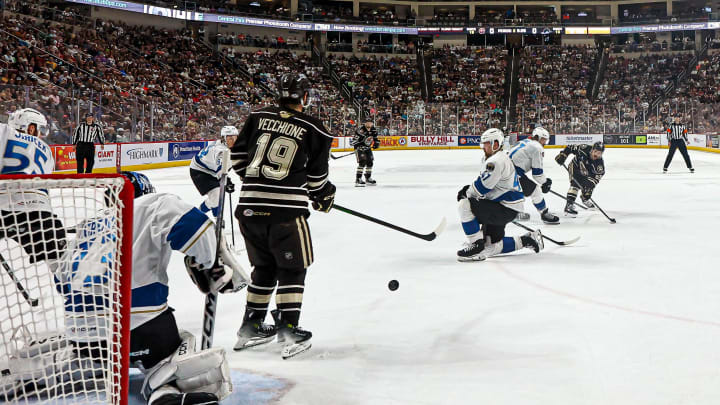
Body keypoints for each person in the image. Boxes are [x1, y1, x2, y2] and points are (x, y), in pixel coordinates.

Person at [2, 172, 248, 405]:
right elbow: (194, 227)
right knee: (183, 341)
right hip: (139, 331)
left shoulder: (87, 226)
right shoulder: (153, 203)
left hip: (84, 337)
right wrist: (209, 264)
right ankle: (163, 387)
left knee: (83, 339)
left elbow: (62, 282)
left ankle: (30, 374)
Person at [229, 73, 335, 359]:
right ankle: (289, 328)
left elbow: (237, 158)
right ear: (305, 97)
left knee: (263, 268)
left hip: (249, 207)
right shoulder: (314, 127)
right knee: (293, 268)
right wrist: (323, 195)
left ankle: (250, 326)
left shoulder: (256, 116)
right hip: (285, 212)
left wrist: (257, 183)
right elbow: (316, 178)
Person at [455, 128, 543, 262]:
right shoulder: (495, 158)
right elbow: (488, 185)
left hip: (505, 208)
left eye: (486, 144)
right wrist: (470, 191)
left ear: (495, 144)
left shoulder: (496, 161)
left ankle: (475, 245)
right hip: (503, 206)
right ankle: (525, 240)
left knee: (464, 204)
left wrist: (466, 193)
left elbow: (482, 187)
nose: (483, 147)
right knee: (490, 247)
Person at [0, 108, 64, 267]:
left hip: (3, 209)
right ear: (31, 128)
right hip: (41, 214)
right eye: (40, 129)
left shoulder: (5, 132)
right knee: (61, 265)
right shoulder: (48, 152)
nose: (41, 135)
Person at [508, 127, 559, 224]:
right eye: (544, 140)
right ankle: (544, 213)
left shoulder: (525, 141)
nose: (544, 143)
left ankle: (512, 211)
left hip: (505, 169)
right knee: (535, 190)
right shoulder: (537, 147)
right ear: (538, 137)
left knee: (517, 190)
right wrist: (545, 183)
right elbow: (537, 174)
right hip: (513, 172)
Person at [190, 125, 238, 216]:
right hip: (200, 171)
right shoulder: (220, 151)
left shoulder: (226, 147)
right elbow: (220, 171)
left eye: (235, 137)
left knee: (214, 198)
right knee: (216, 194)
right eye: (230, 138)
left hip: (211, 169)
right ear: (223, 138)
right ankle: (218, 222)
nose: (234, 141)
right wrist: (226, 180)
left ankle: (198, 213)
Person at [555, 142, 605, 216]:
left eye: (599, 153)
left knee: (587, 188)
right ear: (592, 149)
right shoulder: (584, 148)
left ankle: (584, 198)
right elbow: (570, 147)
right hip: (575, 166)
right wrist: (563, 155)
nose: (596, 155)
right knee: (575, 184)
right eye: (595, 151)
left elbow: (596, 178)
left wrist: (589, 188)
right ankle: (569, 205)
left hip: (587, 173)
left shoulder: (599, 165)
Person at [350, 120, 379, 187]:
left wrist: (376, 143)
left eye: (370, 122)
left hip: (367, 148)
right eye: (367, 122)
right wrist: (360, 141)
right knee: (362, 162)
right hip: (359, 149)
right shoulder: (360, 130)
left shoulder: (373, 130)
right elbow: (352, 142)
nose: (369, 124)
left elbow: (375, 138)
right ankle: (358, 178)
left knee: (370, 162)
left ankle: (368, 178)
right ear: (365, 123)